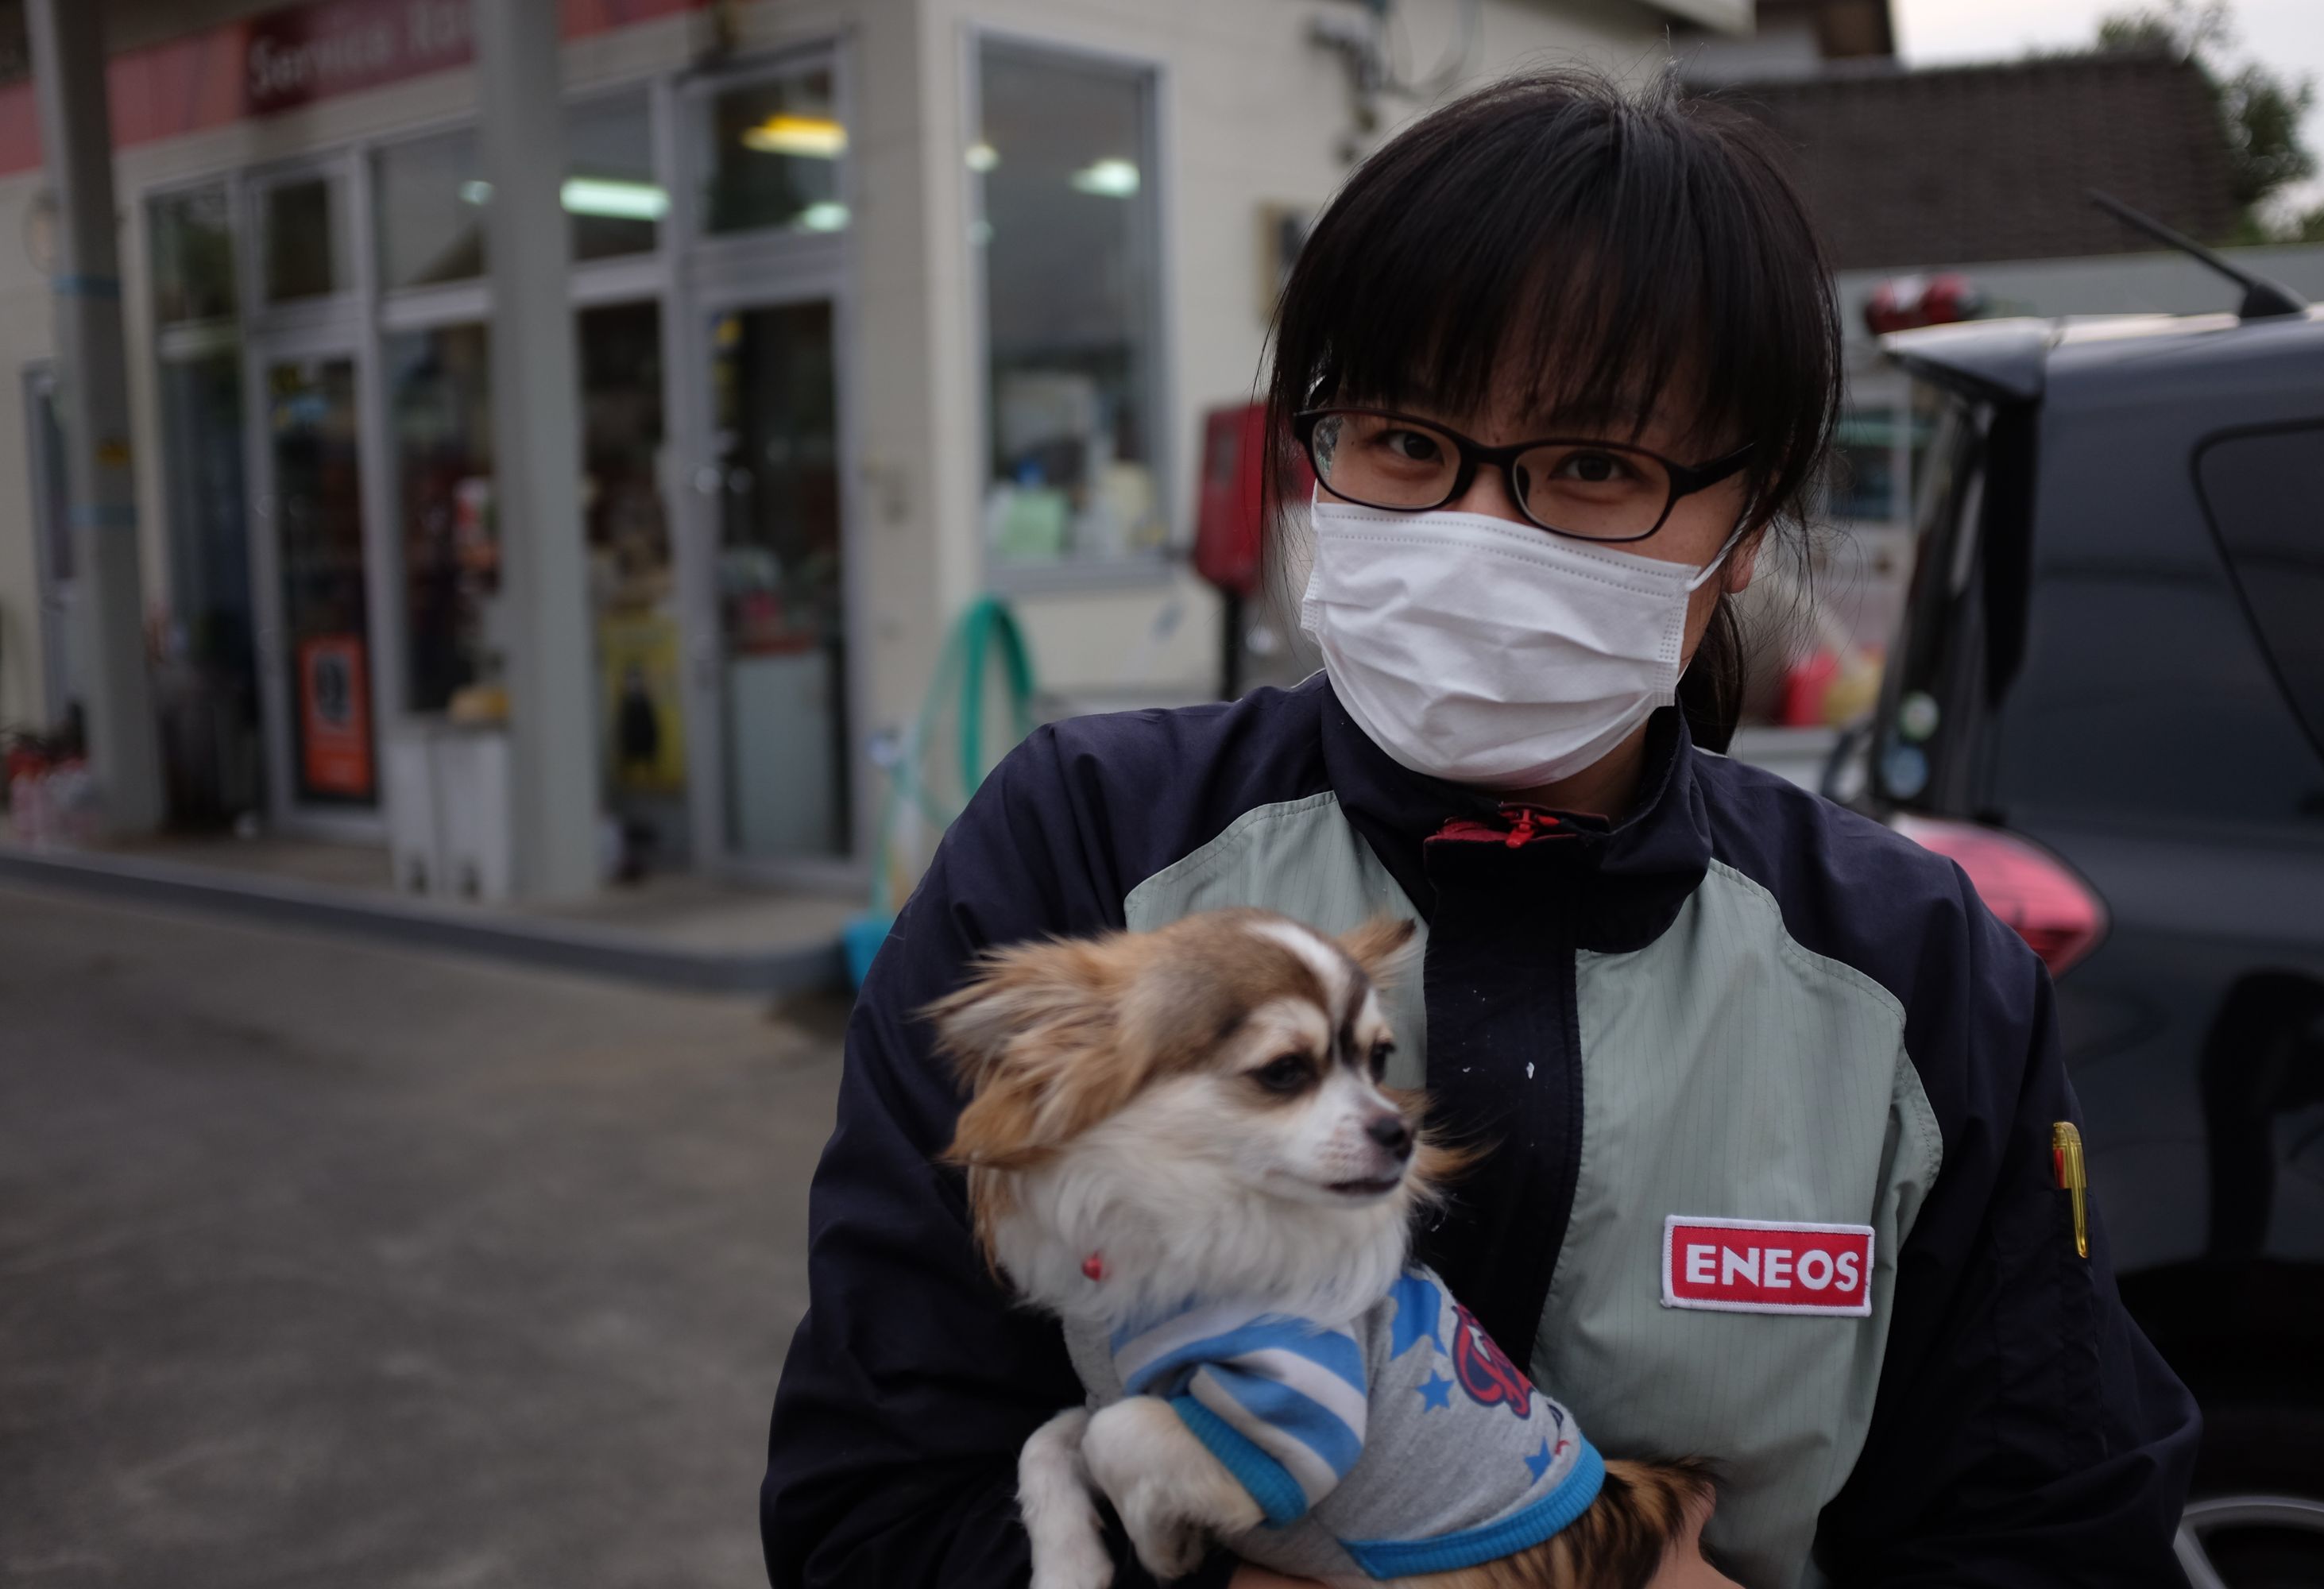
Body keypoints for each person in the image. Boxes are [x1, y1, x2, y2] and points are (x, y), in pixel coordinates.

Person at [760, 70, 2198, 1588]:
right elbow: (873, 1505)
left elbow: (2063, 1533)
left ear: (1750, 518)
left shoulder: (1910, 971)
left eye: (1591, 468)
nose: (1475, 533)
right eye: (1400, 441)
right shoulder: (1088, 856)